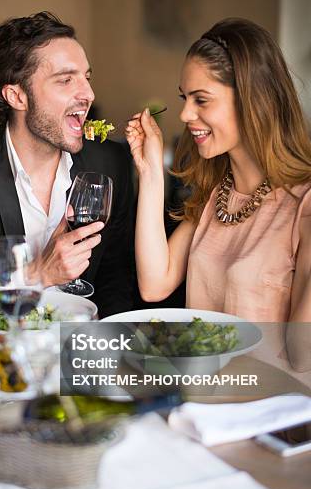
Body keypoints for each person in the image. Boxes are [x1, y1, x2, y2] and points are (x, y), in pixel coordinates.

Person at [0, 11, 135, 318]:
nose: (88, 94)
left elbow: (117, 281)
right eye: (66, 80)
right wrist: (38, 274)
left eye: (86, 77)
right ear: (16, 95)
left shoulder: (112, 162)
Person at [126, 18, 311, 372]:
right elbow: (154, 284)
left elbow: (305, 360)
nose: (185, 113)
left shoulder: (303, 206)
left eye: (201, 100)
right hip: (198, 403)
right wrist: (150, 172)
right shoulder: (217, 195)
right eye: (184, 98)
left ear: (252, 101)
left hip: (262, 412)